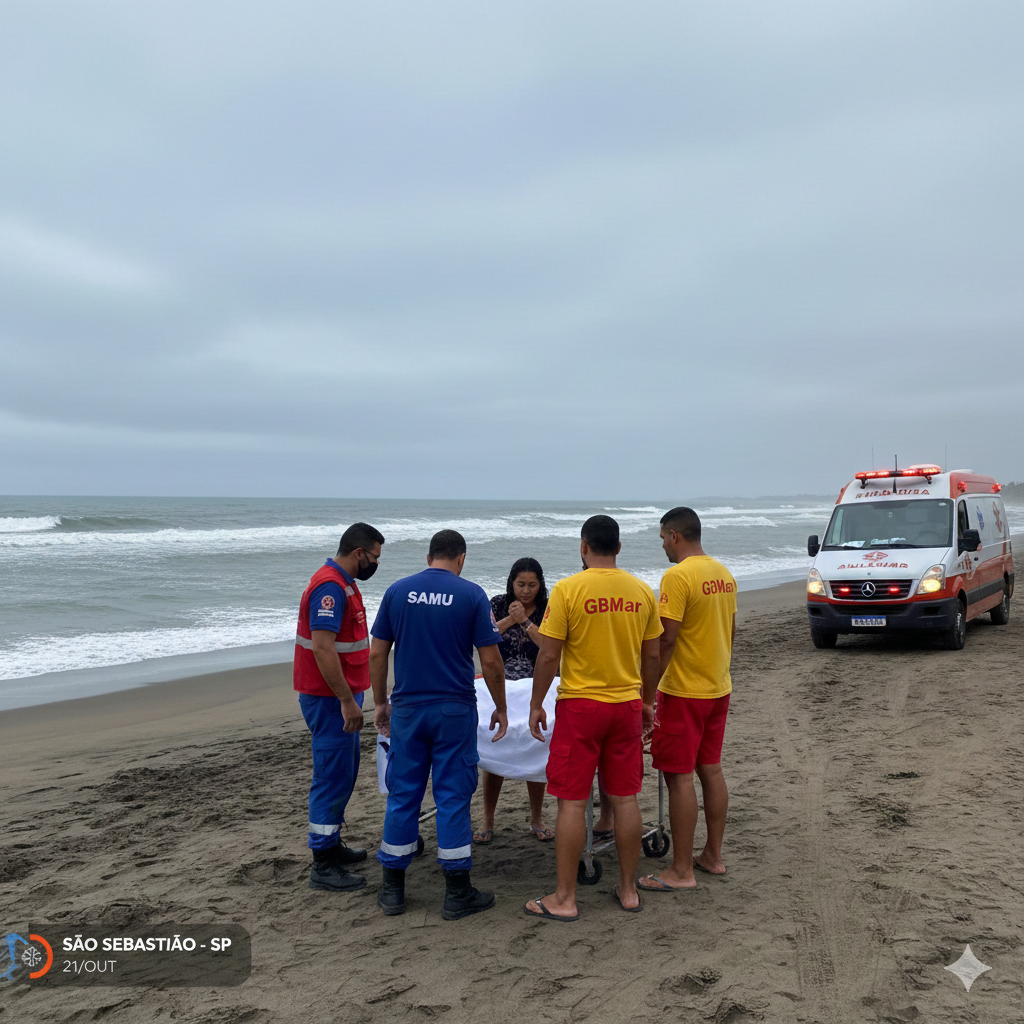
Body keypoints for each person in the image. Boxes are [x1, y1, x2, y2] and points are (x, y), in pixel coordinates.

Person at [525, 515, 662, 920]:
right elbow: (651, 654)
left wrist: (536, 704)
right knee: (624, 798)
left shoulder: (569, 589)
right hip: (625, 704)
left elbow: (549, 654)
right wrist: (649, 700)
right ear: (618, 547)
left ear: (583, 547)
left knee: (571, 801)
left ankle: (565, 898)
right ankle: (628, 888)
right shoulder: (641, 590)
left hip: (580, 705)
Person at [369, 529, 508, 920]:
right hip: (454, 709)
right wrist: (500, 706)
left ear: (430, 556)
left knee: (403, 794)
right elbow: (492, 662)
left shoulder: (398, 591)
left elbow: (377, 653)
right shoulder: (471, 595)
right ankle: (456, 892)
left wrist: (381, 702)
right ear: (460, 558)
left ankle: (393, 890)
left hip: (409, 710)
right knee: (452, 796)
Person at [638, 506, 737, 893]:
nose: (662, 544)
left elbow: (667, 638)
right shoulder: (722, 573)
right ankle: (712, 854)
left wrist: (649, 691)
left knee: (678, 776)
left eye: (663, 537)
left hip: (683, 690)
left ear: (675, 535)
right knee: (710, 769)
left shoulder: (677, 576)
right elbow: (730, 630)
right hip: (717, 685)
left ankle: (681, 869)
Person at [294, 522, 385, 893]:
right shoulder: (330, 587)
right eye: (375, 556)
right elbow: (322, 647)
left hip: (343, 695)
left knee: (344, 772)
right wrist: (347, 700)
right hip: (329, 697)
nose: (377, 563)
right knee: (331, 776)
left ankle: (331, 844)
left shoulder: (346, 584)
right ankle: (323, 863)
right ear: (359, 553)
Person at [473, 557, 554, 844]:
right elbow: (484, 638)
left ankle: (536, 817)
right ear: (511, 583)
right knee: (497, 746)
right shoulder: (496, 603)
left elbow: (551, 646)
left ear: (540, 585)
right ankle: (488, 818)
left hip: (537, 684)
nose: (526, 591)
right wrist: (511, 618)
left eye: (532, 585)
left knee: (536, 747)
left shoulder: (549, 608)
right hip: (500, 683)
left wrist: (526, 622)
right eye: (521, 584)